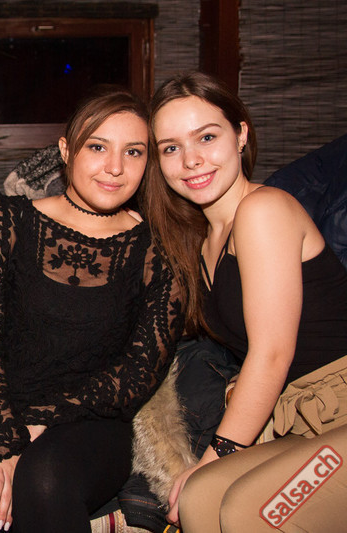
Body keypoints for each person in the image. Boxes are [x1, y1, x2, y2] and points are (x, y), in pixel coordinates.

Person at [0, 87, 185, 533]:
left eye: (133, 152)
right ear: (65, 150)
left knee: (44, 481)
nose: (115, 167)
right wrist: (5, 432)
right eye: (98, 147)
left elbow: (138, 372)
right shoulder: (5, 221)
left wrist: (39, 424)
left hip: (91, 418)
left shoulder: (157, 251)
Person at [143, 71, 347, 531]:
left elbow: (271, 354)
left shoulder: (264, 210)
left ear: (240, 135)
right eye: (171, 148)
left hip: (340, 401)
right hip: (305, 417)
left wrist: (216, 454)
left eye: (207, 137)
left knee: (242, 511)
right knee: (199, 499)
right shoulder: (200, 241)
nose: (191, 160)